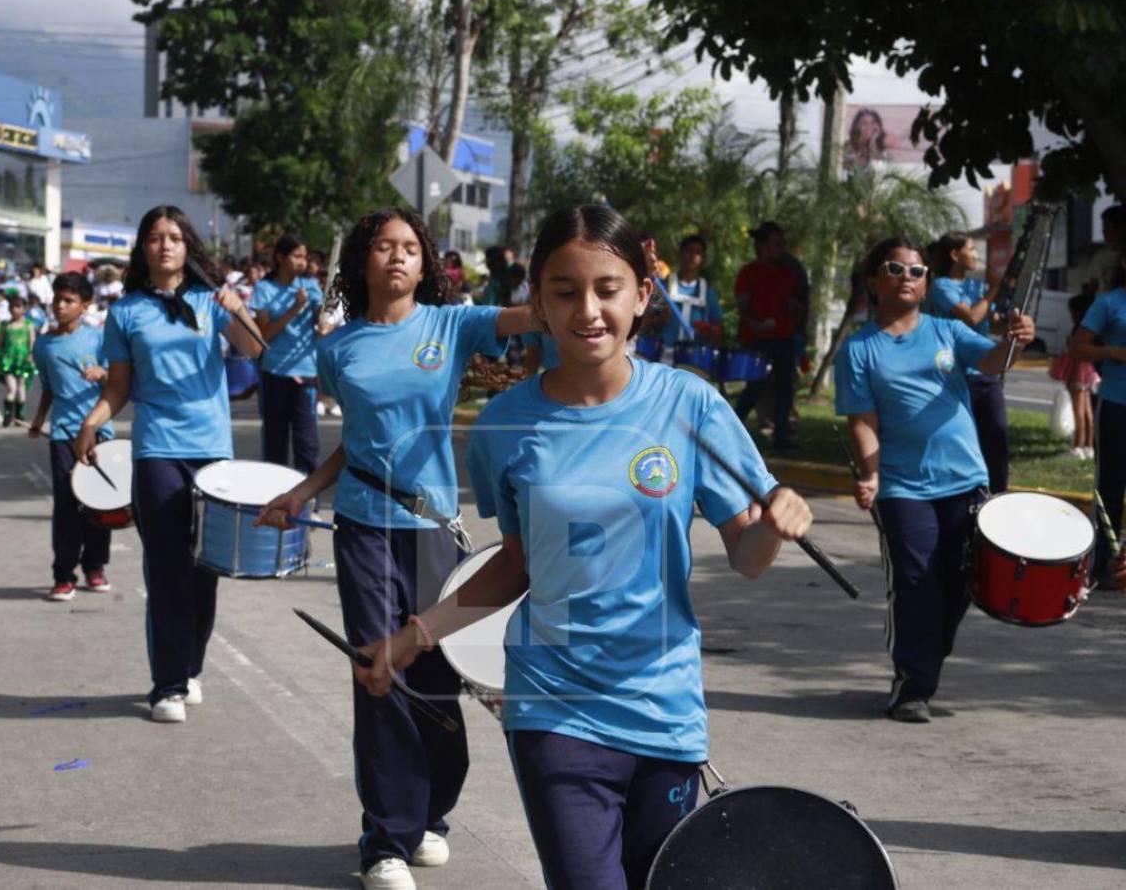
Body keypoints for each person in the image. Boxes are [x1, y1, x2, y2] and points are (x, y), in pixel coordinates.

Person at [346, 205, 812, 890]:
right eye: (564, 291)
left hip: (665, 708)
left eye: (608, 288)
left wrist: (774, 523)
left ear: (643, 294)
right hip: (552, 708)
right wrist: (412, 639)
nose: (588, 310)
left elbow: (746, 555)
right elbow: (518, 564)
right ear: (536, 301)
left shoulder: (692, 406)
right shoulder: (506, 425)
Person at [255, 206, 538, 890]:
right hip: (364, 526)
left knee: (437, 673)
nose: (397, 256)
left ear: (427, 262)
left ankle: (431, 816)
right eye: (384, 246)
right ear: (363, 260)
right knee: (378, 670)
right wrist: (306, 490)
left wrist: (588, 271)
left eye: (410, 247)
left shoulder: (453, 325)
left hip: (434, 526)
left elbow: (533, 319)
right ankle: (384, 837)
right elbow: (359, 440)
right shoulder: (339, 347)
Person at [73, 204, 263, 724]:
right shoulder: (127, 312)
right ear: (143, 249)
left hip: (213, 449)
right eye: (155, 237)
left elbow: (253, 348)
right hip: (157, 448)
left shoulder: (211, 301)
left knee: (206, 568)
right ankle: (167, 685)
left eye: (174, 237)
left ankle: (191, 667)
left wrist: (237, 307)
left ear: (187, 247)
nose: (165, 245)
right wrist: (91, 423)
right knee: (167, 568)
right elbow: (118, 387)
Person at [836, 236, 1035, 723]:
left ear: (927, 284)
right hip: (903, 486)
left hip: (965, 479)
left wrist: (1013, 340)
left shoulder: (947, 333)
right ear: (872, 281)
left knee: (963, 581)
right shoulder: (859, 349)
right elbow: (863, 420)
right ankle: (911, 684)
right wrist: (871, 474)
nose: (908, 277)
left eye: (917, 271)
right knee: (915, 580)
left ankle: (926, 656)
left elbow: (992, 361)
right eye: (895, 268)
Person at [29, 272, 114, 601]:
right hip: (63, 432)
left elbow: (118, 381)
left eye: (69, 301)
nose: (60, 307)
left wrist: (102, 372)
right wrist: (38, 420)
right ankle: (63, 574)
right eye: (57, 300)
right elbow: (49, 388)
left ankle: (95, 566)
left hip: (98, 430)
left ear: (85, 305)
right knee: (67, 504)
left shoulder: (99, 339)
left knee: (97, 502)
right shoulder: (44, 345)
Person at [927, 232, 1010, 493]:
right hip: (958, 375)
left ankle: (998, 496)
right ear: (955, 254)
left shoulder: (977, 288)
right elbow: (972, 318)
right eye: (972, 249)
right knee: (963, 441)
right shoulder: (942, 287)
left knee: (996, 438)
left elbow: (992, 319)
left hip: (985, 372)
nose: (976, 255)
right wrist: (995, 289)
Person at [1069, 262, 1126, 587]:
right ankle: (1103, 564)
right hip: (1117, 404)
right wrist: (1113, 351)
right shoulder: (1109, 302)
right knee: (1111, 485)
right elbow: (1077, 348)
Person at [252, 233, 322, 474]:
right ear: (281, 257)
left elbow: (322, 326)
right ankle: (273, 501)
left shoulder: (311, 286)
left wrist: (323, 314)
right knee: (275, 443)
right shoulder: (263, 288)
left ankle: (307, 501)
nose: (302, 262)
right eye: (296, 256)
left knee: (307, 443)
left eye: (305, 257)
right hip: (274, 373)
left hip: (306, 373)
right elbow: (264, 335)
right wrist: (294, 308)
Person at [734, 222, 800, 450]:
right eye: (777, 243)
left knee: (784, 387)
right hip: (757, 339)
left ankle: (781, 435)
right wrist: (756, 325)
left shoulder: (787, 274)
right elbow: (742, 306)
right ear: (762, 246)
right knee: (755, 387)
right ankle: (731, 427)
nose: (782, 247)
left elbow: (792, 304)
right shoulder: (749, 272)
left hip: (784, 338)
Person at [1049, 282, 1100, 459]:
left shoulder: (1079, 329)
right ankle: (1088, 446)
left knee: (1079, 409)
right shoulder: (1090, 327)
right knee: (1087, 410)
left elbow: (1073, 348)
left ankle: (1077, 446)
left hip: (1077, 369)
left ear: (1077, 312)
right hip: (1089, 370)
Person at [658, 233, 722, 349]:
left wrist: (709, 330)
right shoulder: (664, 286)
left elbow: (717, 328)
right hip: (662, 351)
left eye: (698, 252)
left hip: (693, 356)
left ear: (703, 259)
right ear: (680, 254)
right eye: (688, 251)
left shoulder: (709, 292)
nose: (693, 256)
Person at [0, 291, 38, 426]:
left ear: (24, 309)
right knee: (11, 389)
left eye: (18, 306)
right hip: (8, 359)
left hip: (23, 359)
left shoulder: (28, 324)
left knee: (21, 388)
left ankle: (19, 415)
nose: (15, 309)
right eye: (12, 307)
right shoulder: (5, 325)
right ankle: (7, 416)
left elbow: (32, 341)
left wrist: (31, 355)